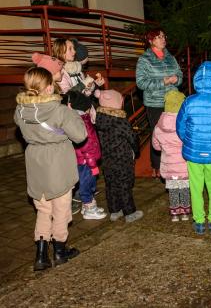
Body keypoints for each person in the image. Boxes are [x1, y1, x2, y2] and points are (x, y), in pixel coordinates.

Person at [14, 67, 87, 271]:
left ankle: (40, 255)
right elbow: (80, 136)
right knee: (61, 210)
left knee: (43, 209)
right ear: (48, 88)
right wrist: (73, 116)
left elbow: (19, 124)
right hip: (57, 162)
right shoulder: (59, 110)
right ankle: (60, 251)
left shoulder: (20, 109)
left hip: (35, 161)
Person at [176, 61, 211, 235]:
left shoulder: (189, 101)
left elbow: (180, 127)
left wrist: (189, 140)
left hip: (193, 153)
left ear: (198, 79)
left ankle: (199, 222)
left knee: (196, 187)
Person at [136, 28, 183, 178]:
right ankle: (156, 165)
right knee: (158, 134)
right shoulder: (144, 59)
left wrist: (178, 79)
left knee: (175, 133)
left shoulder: (170, 57)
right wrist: (164, 81)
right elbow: (141, 83)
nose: (163, 39)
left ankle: (176, 165)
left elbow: (180, 74)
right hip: (155, 103)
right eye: (158, 37)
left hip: (173, 102)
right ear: (150, 41)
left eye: (163, 36)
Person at [94, 90, 143, 223]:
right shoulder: (120, 121)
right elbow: (132, 137)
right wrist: (136, 149)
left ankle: (115, 211)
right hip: (122, 158)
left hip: (107, 159)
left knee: (111, 184)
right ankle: (129, 213)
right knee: (124, 184)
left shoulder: (99, 120)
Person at [63, 91, 106, 220]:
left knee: (89, 183)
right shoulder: (81, 122)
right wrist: (93, 165)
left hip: (86, 159)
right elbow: (86, 146)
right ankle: (89, 209)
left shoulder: (81, 119)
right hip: (86, 161)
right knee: (87, 185)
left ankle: (86, 206)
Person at [152, 90, 191, 222]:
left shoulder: (159, 125)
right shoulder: (185, 124)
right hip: (184, 165)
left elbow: (156, 146)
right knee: (184, 188)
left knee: (174, 189)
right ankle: (185, 213)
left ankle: (175, 213)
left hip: (168, 166)